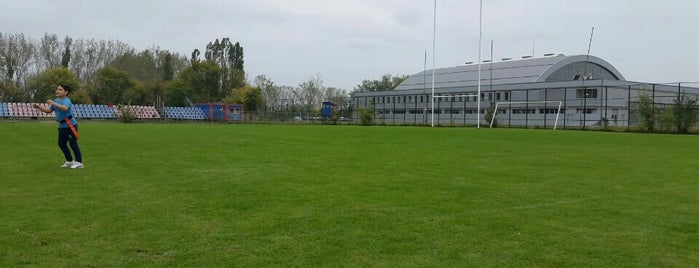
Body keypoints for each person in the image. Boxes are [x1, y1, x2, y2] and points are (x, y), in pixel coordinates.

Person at [33, 85, 84, 169]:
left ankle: (79, 162)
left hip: (70, 125)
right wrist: (38, 107)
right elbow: (48, 111)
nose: (57, 91)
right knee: (61, 143)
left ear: (66, 92)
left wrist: (53, 103)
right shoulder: (56, 100)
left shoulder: (66, 100)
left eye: (60, 89)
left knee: (73, 143)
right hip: (62, 126)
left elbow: (65, 108)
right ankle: (69, 161)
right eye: (57, 89)